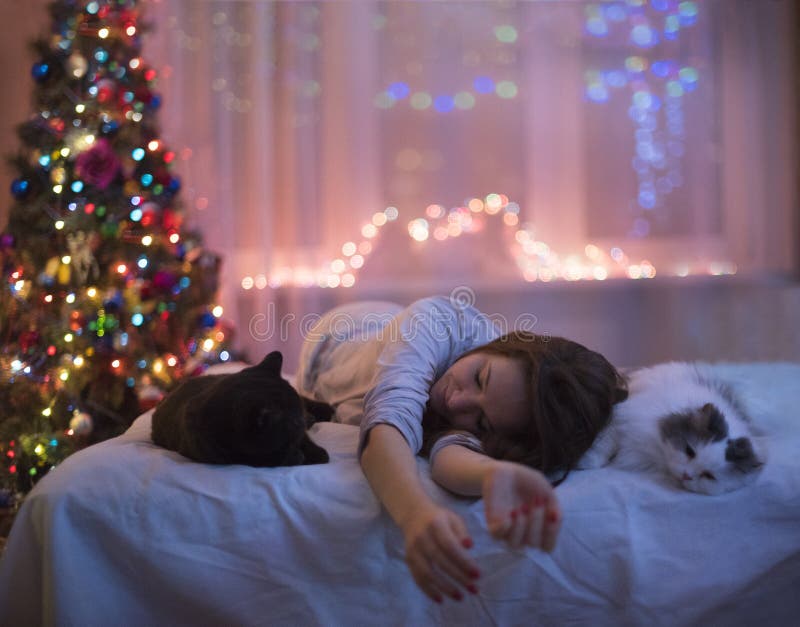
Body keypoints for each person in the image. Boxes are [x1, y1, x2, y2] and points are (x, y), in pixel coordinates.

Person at [295, 295, 627, 604]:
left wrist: (496, 472)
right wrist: (414, 513)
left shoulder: (508, 412)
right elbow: (388, 424)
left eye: (481, 420)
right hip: (345, 334)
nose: (456, 401)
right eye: (480, 378)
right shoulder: (436, 320)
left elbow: (450, 452)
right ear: (501, 345)